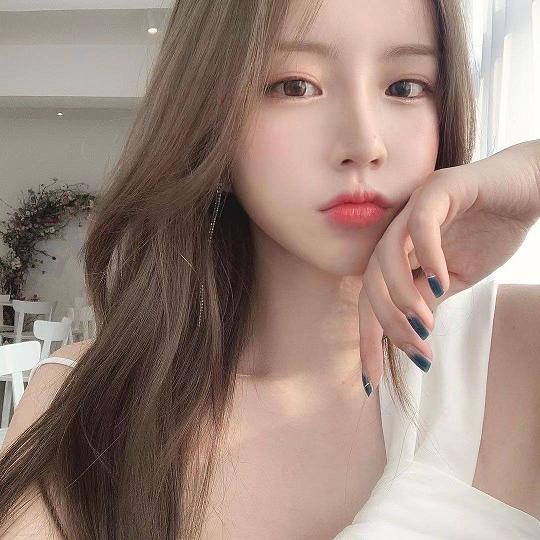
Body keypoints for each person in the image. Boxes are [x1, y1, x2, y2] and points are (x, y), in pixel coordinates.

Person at [0, 0, 539, 538]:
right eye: (294, 86)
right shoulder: (91, 402)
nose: (364, 144)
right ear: (208, 121)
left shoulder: (516, 348)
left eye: (405, 87)